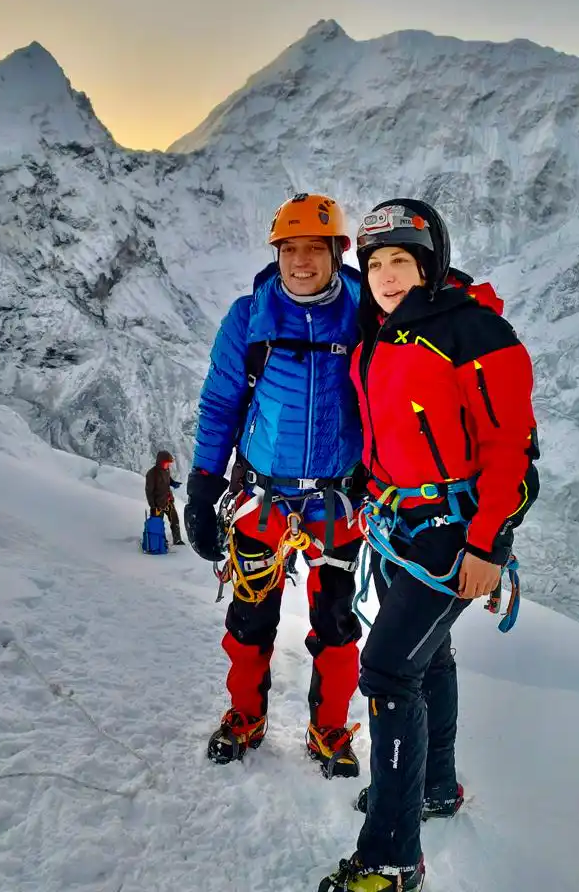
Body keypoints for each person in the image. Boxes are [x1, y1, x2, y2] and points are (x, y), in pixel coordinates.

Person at [319, 198, 540, 892]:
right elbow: (386, 432)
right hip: (399, 523)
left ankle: (391, 857)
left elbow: (511, 450)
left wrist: (489, 545)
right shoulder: (379, 334)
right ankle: (433, 787)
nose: (385, 276)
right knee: (427, 657)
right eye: (375, 264)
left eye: (400, 261)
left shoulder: (474, 331)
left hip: (454, 530)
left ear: (430, 264)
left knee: (388, 672)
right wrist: (363, 490)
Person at [184, 192, 368, 777]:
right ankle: (245, 715)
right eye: (290, 249)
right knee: (250, 617)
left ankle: (329, 728)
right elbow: (221, 404)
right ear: (277, 254)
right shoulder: (249, 318)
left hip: (338, 501)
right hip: (263, 498)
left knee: (336, 623)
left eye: (315, 248)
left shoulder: (367, 316)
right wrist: (203, 484)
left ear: (337, 253)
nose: (301, 261)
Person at [144, 450, 185, 546]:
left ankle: (177, 540)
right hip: (157, 504)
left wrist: (173, 483)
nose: (168, 465)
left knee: (174, 520)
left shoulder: (166, 470)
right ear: (160, 462)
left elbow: (168, 479)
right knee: (158, 523)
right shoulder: (152, 474)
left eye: (169, 463)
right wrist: (153, 506)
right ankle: (161, 541)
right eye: (166, 463)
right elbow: (149, 492)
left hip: (168, 501)